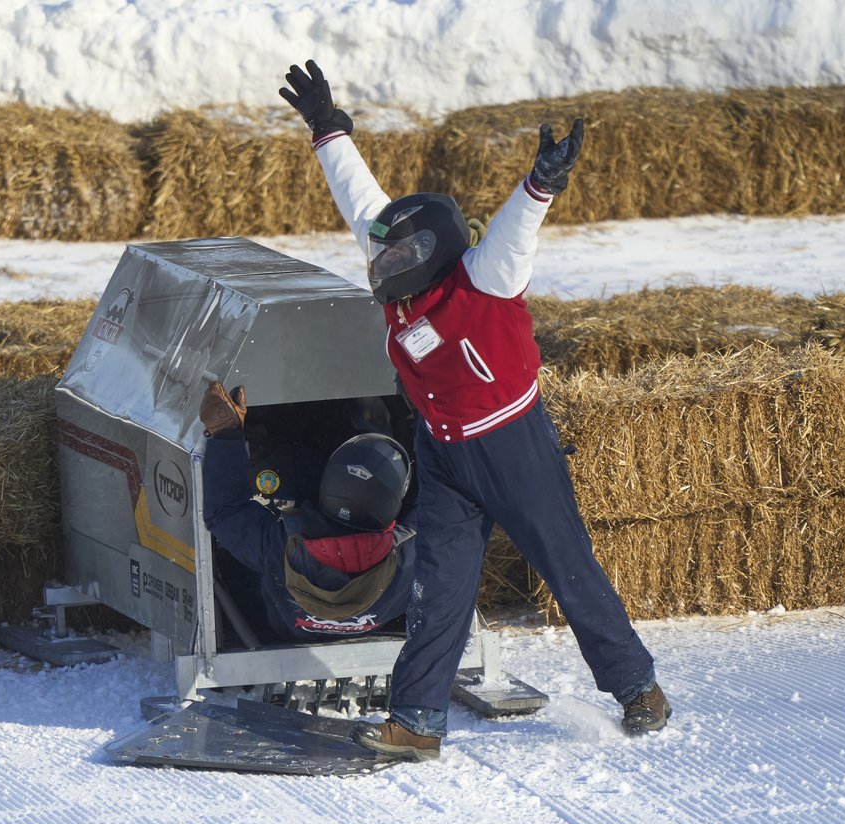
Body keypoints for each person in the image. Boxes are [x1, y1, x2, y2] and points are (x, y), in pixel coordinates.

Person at [278, 60, 670, 761]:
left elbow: (518, 230)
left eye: (402, 251)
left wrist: (541, 182)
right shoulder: (403, 288)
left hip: (513, 443)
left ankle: (637, 684)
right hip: (445, 450)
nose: (385, 258)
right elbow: (360, 201)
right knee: (438, 586)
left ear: (436, 252)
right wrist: (328, 127)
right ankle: (418, 720)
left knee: (566, 565)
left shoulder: (483, 280)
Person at [199, 380, 421, 667]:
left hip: (279, 632)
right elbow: (441, 496)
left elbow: (224, 511)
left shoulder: (280, 544)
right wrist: (419, 418)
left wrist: (227, 437)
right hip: (380, 627)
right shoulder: (412, 555)